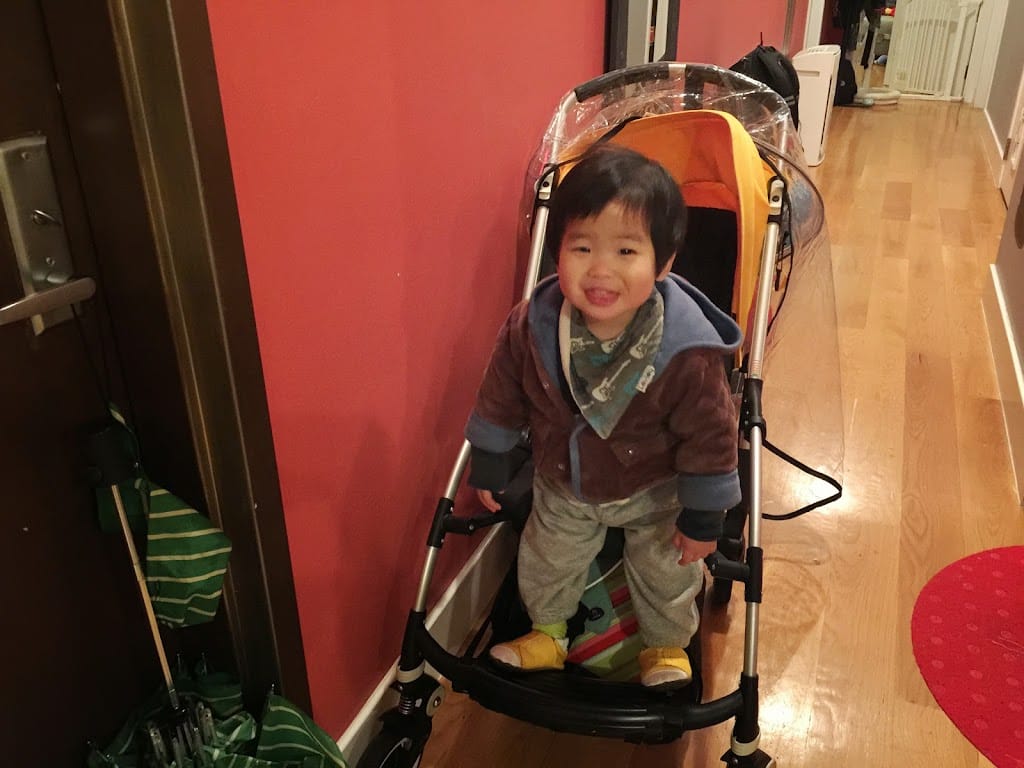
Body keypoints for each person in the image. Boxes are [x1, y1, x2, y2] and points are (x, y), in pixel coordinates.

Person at [465, 143, 742, 688]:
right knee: (546, 555)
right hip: (564, 480)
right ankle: (548, 633)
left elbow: (709, 436)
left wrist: (703, 518)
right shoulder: (534, 326)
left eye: (626, 251)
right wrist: (491, 457)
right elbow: (501, 390)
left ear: (663, 264)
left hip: (654, 488)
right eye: (582, 247)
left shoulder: (685, 351)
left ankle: (666, 646)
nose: (600, 270)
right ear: (558, 252)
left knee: (667, 568)